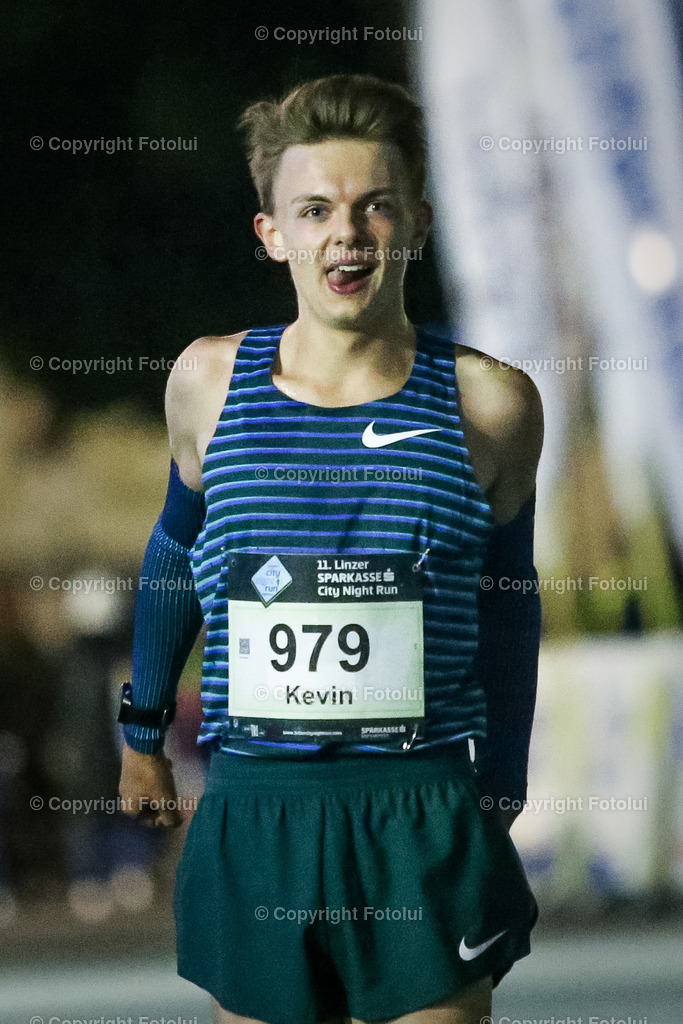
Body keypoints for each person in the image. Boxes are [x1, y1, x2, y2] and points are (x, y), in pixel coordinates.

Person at [119, 73, 544, 1024]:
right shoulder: (208, 382)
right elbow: (175, 557)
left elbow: (509, 602)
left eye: (373, 206)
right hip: (255, 806)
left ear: (417, 222)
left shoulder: (491, 404)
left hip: (420, 805)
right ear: (272, 233)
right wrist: (141, 734)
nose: (344, 233)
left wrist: (503, 782)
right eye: (313, 210)